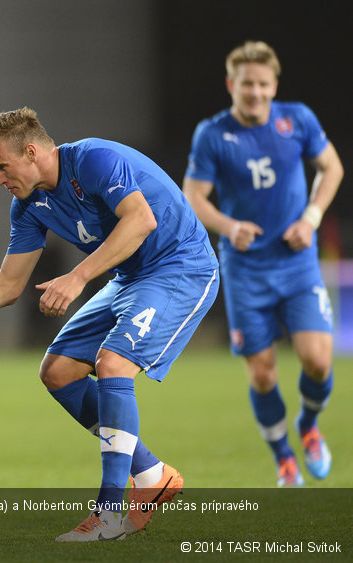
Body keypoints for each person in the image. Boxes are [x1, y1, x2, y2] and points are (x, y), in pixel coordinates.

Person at [0, 107, 220, 542]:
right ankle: (151, 475)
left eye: (1, 166)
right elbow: (9, 285)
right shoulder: (28, 206)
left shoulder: (93, 160)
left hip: (180, 267)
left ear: (31, 152)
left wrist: (79, 276)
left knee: (113, 365)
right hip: (130, 278)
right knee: (58, 372)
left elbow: (141, 219)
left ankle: (108, 516)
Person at [183, 41, 343, 487]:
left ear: (274, 86)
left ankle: (309, 427)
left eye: (262, 84)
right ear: (232, 84)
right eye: (246, 83)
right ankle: (283, 458)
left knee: (317, 360)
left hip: (296, 262)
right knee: (262, 371)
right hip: (245, 267)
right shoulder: (212, 134)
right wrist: (228, 225)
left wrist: (311, 218)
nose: (254, 92)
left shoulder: (298, 120)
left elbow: (332, 168)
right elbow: (193, 197)